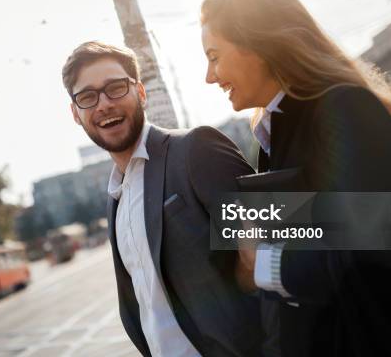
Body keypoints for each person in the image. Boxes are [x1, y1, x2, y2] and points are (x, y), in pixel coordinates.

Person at [200, 0, 391, 357]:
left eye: (214, 55)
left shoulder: (345, 109)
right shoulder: (276, 131)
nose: (209, 76)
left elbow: (371, 250)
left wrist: (263, 262)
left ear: (257, 43)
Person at [62, 41, 263, 356]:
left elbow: (285, 238)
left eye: (115, 88)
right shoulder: (115, 200)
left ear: (140, 92)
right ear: (76, 113)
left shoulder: (194, 150)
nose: (103, 105)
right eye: (88, 97)